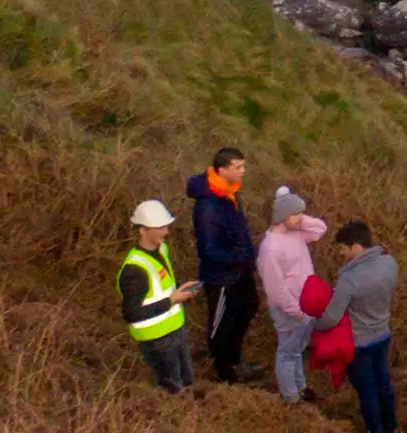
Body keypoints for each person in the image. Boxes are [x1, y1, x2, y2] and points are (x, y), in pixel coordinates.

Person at [186, 147, 259, 385]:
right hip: (221, 277)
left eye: (243, 166)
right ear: (222, 170)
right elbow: (207, 249)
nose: (243, 171)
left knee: (249, 306)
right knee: (221, 323)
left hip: (240, 272)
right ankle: (224, 372)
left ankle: (235, 360)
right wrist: (240, 257)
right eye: (238, 167)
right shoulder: (208, 205)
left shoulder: (231, 194)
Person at [329, 221, 400, 433]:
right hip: (382, 333)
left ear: (356, 247)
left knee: (367, 390)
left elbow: (331, 317)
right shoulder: (389, 263)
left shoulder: (349, 279)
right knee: (384, 385)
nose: (340, 254)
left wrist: (315, 325)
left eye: (343, 248)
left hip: (358, 343)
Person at [256, 186, 329, 404]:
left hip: (304, 305)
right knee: (287, 353)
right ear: (282, 216)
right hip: (290, 309)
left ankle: (301, 388)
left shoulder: (295, 232)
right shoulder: (270, 249)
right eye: (295, 213)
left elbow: (320, 229)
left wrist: (298, 216)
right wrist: (297, 312)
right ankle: (291, 399)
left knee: (296, 350)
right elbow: (276, 290)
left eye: (301, 213)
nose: (301, 217)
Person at [119, 201, 201, 393]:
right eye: (160, 227)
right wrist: (172, 300)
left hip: (175, 330)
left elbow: (162, 285)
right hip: (156, 341)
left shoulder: (162, 249)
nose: (166, 232)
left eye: (166, 226)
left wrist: (181, 289)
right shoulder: (134, 269)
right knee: (173, 390)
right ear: (143, 230)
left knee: (188, 382)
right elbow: (132, 314)